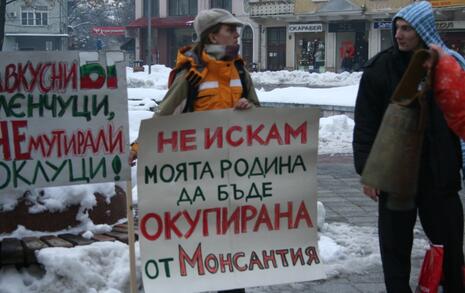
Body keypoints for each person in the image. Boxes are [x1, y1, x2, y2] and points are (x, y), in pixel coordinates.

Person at [129, 8, 260, 293]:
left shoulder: (239, 69)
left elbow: (258, 113)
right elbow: (165, 116)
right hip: (199, 174)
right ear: (213, 34)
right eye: (230, 29)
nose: (236, 34)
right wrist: (137, 148)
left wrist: (249, 108)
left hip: (234, 173)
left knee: (232, 237)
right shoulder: (192, 73)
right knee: (203, 235)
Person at [352, 2, 465, 292]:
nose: (399, 34)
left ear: (423, 31)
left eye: (407, 29)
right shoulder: (380, 69)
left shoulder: (448, 66)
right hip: (395, 174)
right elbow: (366, 125)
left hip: (438, 172)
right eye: (397, 28)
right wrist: (368, 171)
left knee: (450, 245)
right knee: (395, 249)